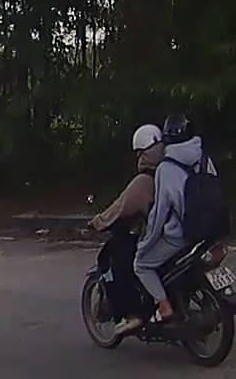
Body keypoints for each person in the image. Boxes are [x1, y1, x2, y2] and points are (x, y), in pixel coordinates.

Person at [129, 113, 215, 333]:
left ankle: (164, 307)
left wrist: (146, 243)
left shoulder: (166, 168)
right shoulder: (203, 157)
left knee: (141, 264)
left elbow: (159, 214)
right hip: (213, 228)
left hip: (183, 235)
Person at [87, 124, 164, 334]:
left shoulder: (144, 181)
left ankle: (134, 314)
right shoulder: (173, 171)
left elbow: (120, 207)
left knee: (123, 260)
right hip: (185, 232)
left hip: (160, 236)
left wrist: (98, 222)